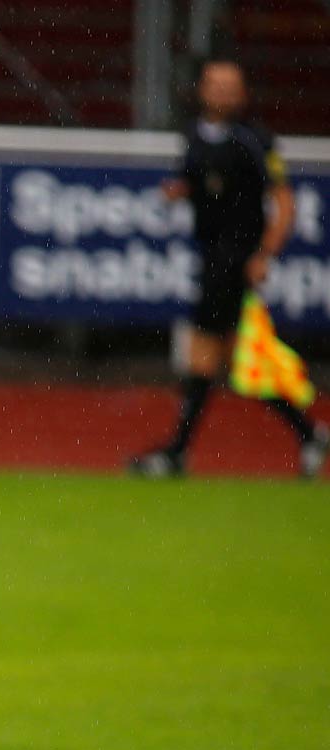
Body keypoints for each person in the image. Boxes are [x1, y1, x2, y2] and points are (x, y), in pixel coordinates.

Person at [130, 59, 329, 480]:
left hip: (235, 261)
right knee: (231, 362)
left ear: (243, 94)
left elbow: (285, 204)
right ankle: (307, 432)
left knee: (214, 359)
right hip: (211, 257)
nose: (222, 93)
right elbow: (199, 184)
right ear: (201, 89)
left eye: (230, 86)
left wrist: (263, 256)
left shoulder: (253, 141)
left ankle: (178, 453)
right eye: (215, 85)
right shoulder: (194, 138)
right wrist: (180, 193)